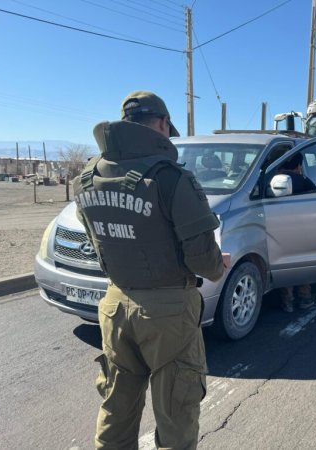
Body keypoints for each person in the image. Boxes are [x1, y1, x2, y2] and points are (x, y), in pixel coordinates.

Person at [73, 90, 229, 450]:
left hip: (114, 304)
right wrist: (219, 263)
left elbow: (102, 242)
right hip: (169, 312)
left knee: (116, 408)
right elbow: (203, 259)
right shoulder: (171, 177)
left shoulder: (86, 176)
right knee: (177, 413)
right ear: (161, 124)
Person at [277, 152, 316, 311]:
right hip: (302, 230)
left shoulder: (272, 179)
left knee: (286, 265)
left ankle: (287, 302)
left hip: (280, 229)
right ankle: (305, 299)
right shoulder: (304, 180)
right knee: (302, 265)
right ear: (299, 166)